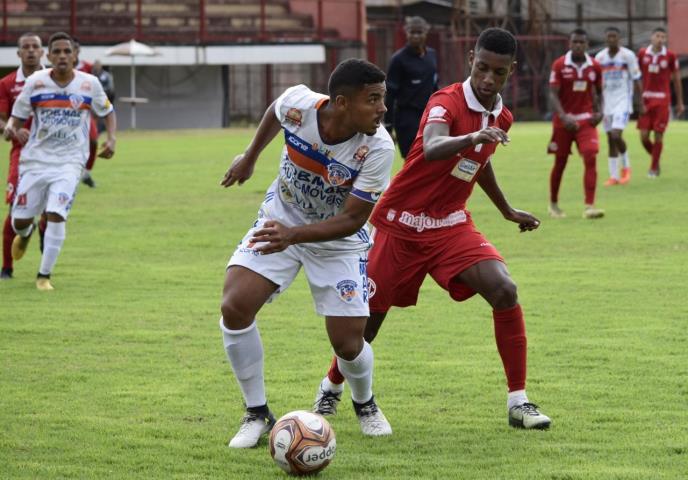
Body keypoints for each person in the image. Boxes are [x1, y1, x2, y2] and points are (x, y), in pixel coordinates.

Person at [313, 28, 552, 430]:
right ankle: (332, 387)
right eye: (481, 68)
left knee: (504, 289)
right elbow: (435, 145)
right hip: (401, 222)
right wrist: (473, 135)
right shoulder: (446, 102)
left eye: (498, 72)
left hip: (450, 224)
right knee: (367, 323)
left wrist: (507, 209)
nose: (488, 79)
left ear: (511, 71)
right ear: (470, 59)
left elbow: (480, 158)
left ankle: (519, 401)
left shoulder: (501, 116)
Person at [219, 59, 395, 449]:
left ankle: (364, 403)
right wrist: (249, 156)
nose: (383, 108)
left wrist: (293, 236)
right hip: (280, 218)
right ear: (342, 102)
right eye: (373, 99)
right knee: (235, 306)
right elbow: (275, 111)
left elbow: (352, 219)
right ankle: (256, 413)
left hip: (336, 243)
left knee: (348, 344)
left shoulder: (378, 147)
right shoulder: (299, 104)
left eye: (383, 98)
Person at [4, 31, 116, 291]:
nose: (63, 56)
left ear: (75, 55)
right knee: (19, 221)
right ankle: (26, 232)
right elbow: (16, 117)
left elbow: (108, 111)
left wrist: (111, 139)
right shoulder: (35, 82)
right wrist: (11, 128)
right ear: (49, 55)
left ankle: (44, 275)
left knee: (56, 213)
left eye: (68, 51)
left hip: (70, 161)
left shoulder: (89, 84)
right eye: (58, 51)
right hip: (35, 161)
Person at [547, 28, 604, 219]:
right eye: (575, 42)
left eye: (582, 42)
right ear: (570, 44)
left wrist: (600, 112)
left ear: (587, 45)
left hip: (586, 120)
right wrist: (563, 117)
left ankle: (589, 206)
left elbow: (599, 92)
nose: (578, 45)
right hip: (563, 122)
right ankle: (554, 205)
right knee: (560, 162)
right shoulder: (560, 64)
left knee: (590, 156)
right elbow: (553, 94)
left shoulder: (594, 66)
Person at [0, 32, 44, 280]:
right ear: (18, 53)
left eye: (35, 46)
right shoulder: (7, 84)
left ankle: (45, 268)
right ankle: (6, 267)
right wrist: (14, 130)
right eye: (25, 47)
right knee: (14, 209)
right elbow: (2, 120)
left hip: (55, 155)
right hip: (22, 153)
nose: (30, 50)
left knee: (51, 212)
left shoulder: (57, 80)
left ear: (42, 52)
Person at [384, 16, 438, 159]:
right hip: (406, 118)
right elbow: (390, 94)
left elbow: (435, 86)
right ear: (406, 32)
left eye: (419, 32)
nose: (415, 36)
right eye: (412, 32)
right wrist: (388, 126)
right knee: (412, 160)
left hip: (429, 116)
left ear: (426, 33)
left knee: (431, 160)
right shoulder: (398, 59)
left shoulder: (432, 55)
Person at [595, 26, 643, 186]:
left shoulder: (627, 55)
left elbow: (636, 79)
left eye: (614, 36)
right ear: (605, 39)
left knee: (616, 135)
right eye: (609, 37)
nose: (611, 39)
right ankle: (614, 176)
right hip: (606, 102)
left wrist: (640, 102)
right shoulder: (600, 57)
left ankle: (626, 167)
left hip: (623, 101)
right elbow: (595, 82)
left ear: (619, 38)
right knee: (610, 139)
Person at [637, 27, 684, 178]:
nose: (660, 39)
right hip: (646, 99)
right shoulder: (643, 53)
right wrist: (638, 99)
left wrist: (680, 102)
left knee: (658, 135)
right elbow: (636, 76)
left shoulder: (670, 56)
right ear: (651, 37)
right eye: (657, 36)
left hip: (663, 99)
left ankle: (653, 168)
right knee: (644, 137)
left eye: (663, 37)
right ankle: (656, 160)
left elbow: (677, 79)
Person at [73, 38, 100, 188]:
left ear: (78, 51)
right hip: (64, 113)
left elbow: (96, 85)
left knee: (93, 141)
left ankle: (86, 172)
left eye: (74, 49)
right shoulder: (59, 68)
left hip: (85, 113)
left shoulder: (87, 67)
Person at [92, 61, 116, 134]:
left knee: (107, 114)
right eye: (95, 66)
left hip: (105, 99)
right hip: (94, 100)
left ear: (100, 66)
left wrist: (101, 91)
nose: (96, 67)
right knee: (94, 116)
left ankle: (108, 131)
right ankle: (95, 131)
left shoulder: (106, 75)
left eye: (97, 65)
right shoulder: (91, 75)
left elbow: (110, 88)